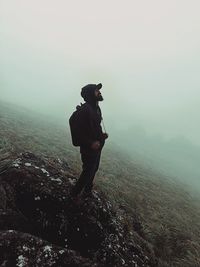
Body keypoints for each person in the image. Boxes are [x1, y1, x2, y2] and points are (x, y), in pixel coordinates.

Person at [71, 83, 108, 198]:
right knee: (87, 172)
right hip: (89, 148)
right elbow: (75, 126)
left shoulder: (96, 108)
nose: (100, 92)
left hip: (97, 147)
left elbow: (93, 127)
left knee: (94, 169)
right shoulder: (85, 109)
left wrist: (101, 136)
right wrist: (90, 143)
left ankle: (87, 190)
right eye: (97, 91)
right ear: (91, 94)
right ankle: (73, 195)